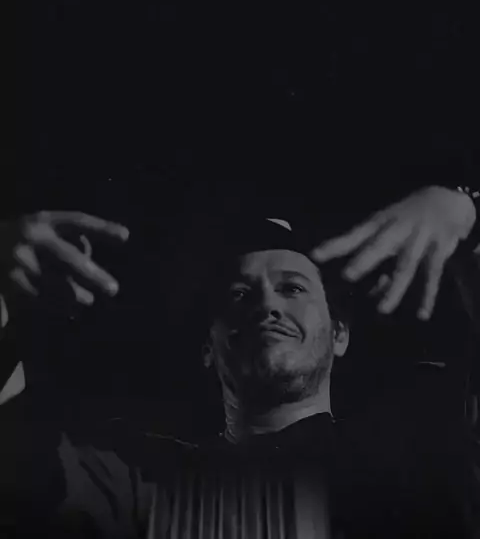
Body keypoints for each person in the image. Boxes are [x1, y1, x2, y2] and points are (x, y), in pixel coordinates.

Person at [0, 185, 479, 537]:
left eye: (293, 288)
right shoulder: (135, 476)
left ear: (340, 334)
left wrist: (467, 214)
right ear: (207, 349)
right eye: (239, 294)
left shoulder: (420, 451)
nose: (266, 304)